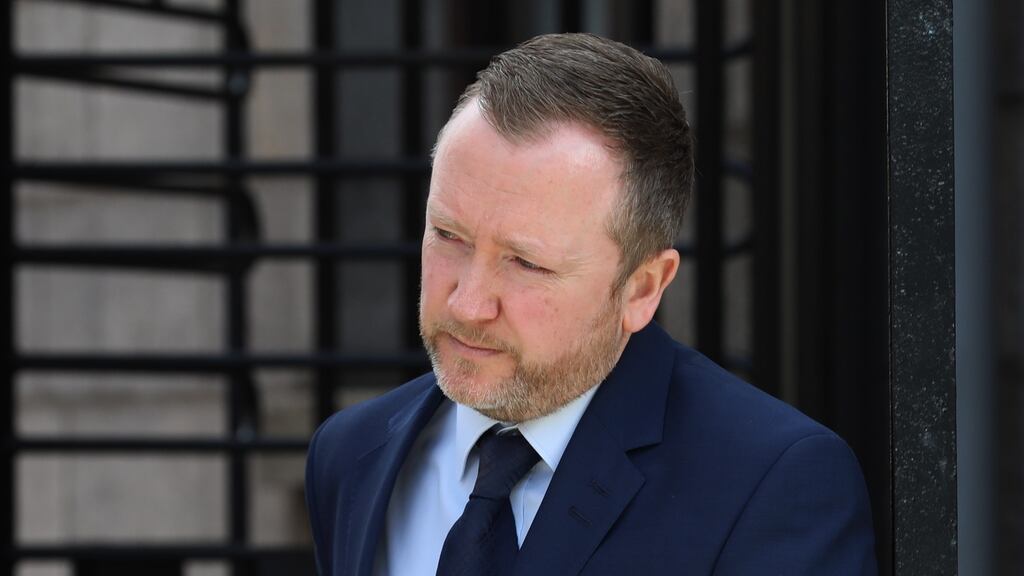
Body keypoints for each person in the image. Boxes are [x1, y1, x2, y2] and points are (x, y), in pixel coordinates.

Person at [305, 33, 877, 576]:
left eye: (526, 263)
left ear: (644, 288)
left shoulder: (770, 486)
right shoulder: (352, 455)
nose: (469, 302)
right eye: (448, 236)